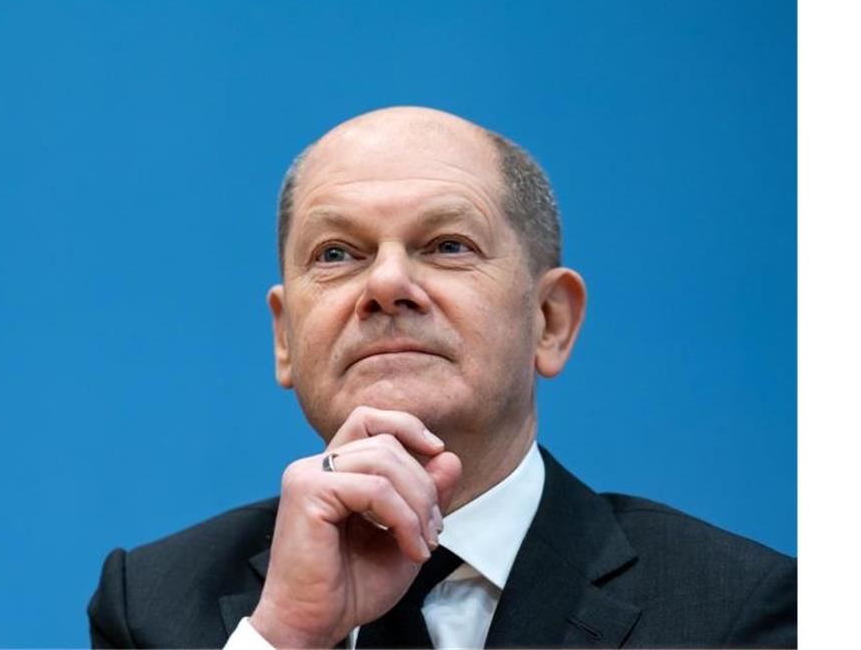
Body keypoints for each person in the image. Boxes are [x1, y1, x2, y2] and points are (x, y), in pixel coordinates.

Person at [87, 106, 796, 648]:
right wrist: (284, 637)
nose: (387, 283)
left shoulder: (734, 608)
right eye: (337, 253)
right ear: (285, 338)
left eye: (448, 245)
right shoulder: (152, 604)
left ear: (550, 320)